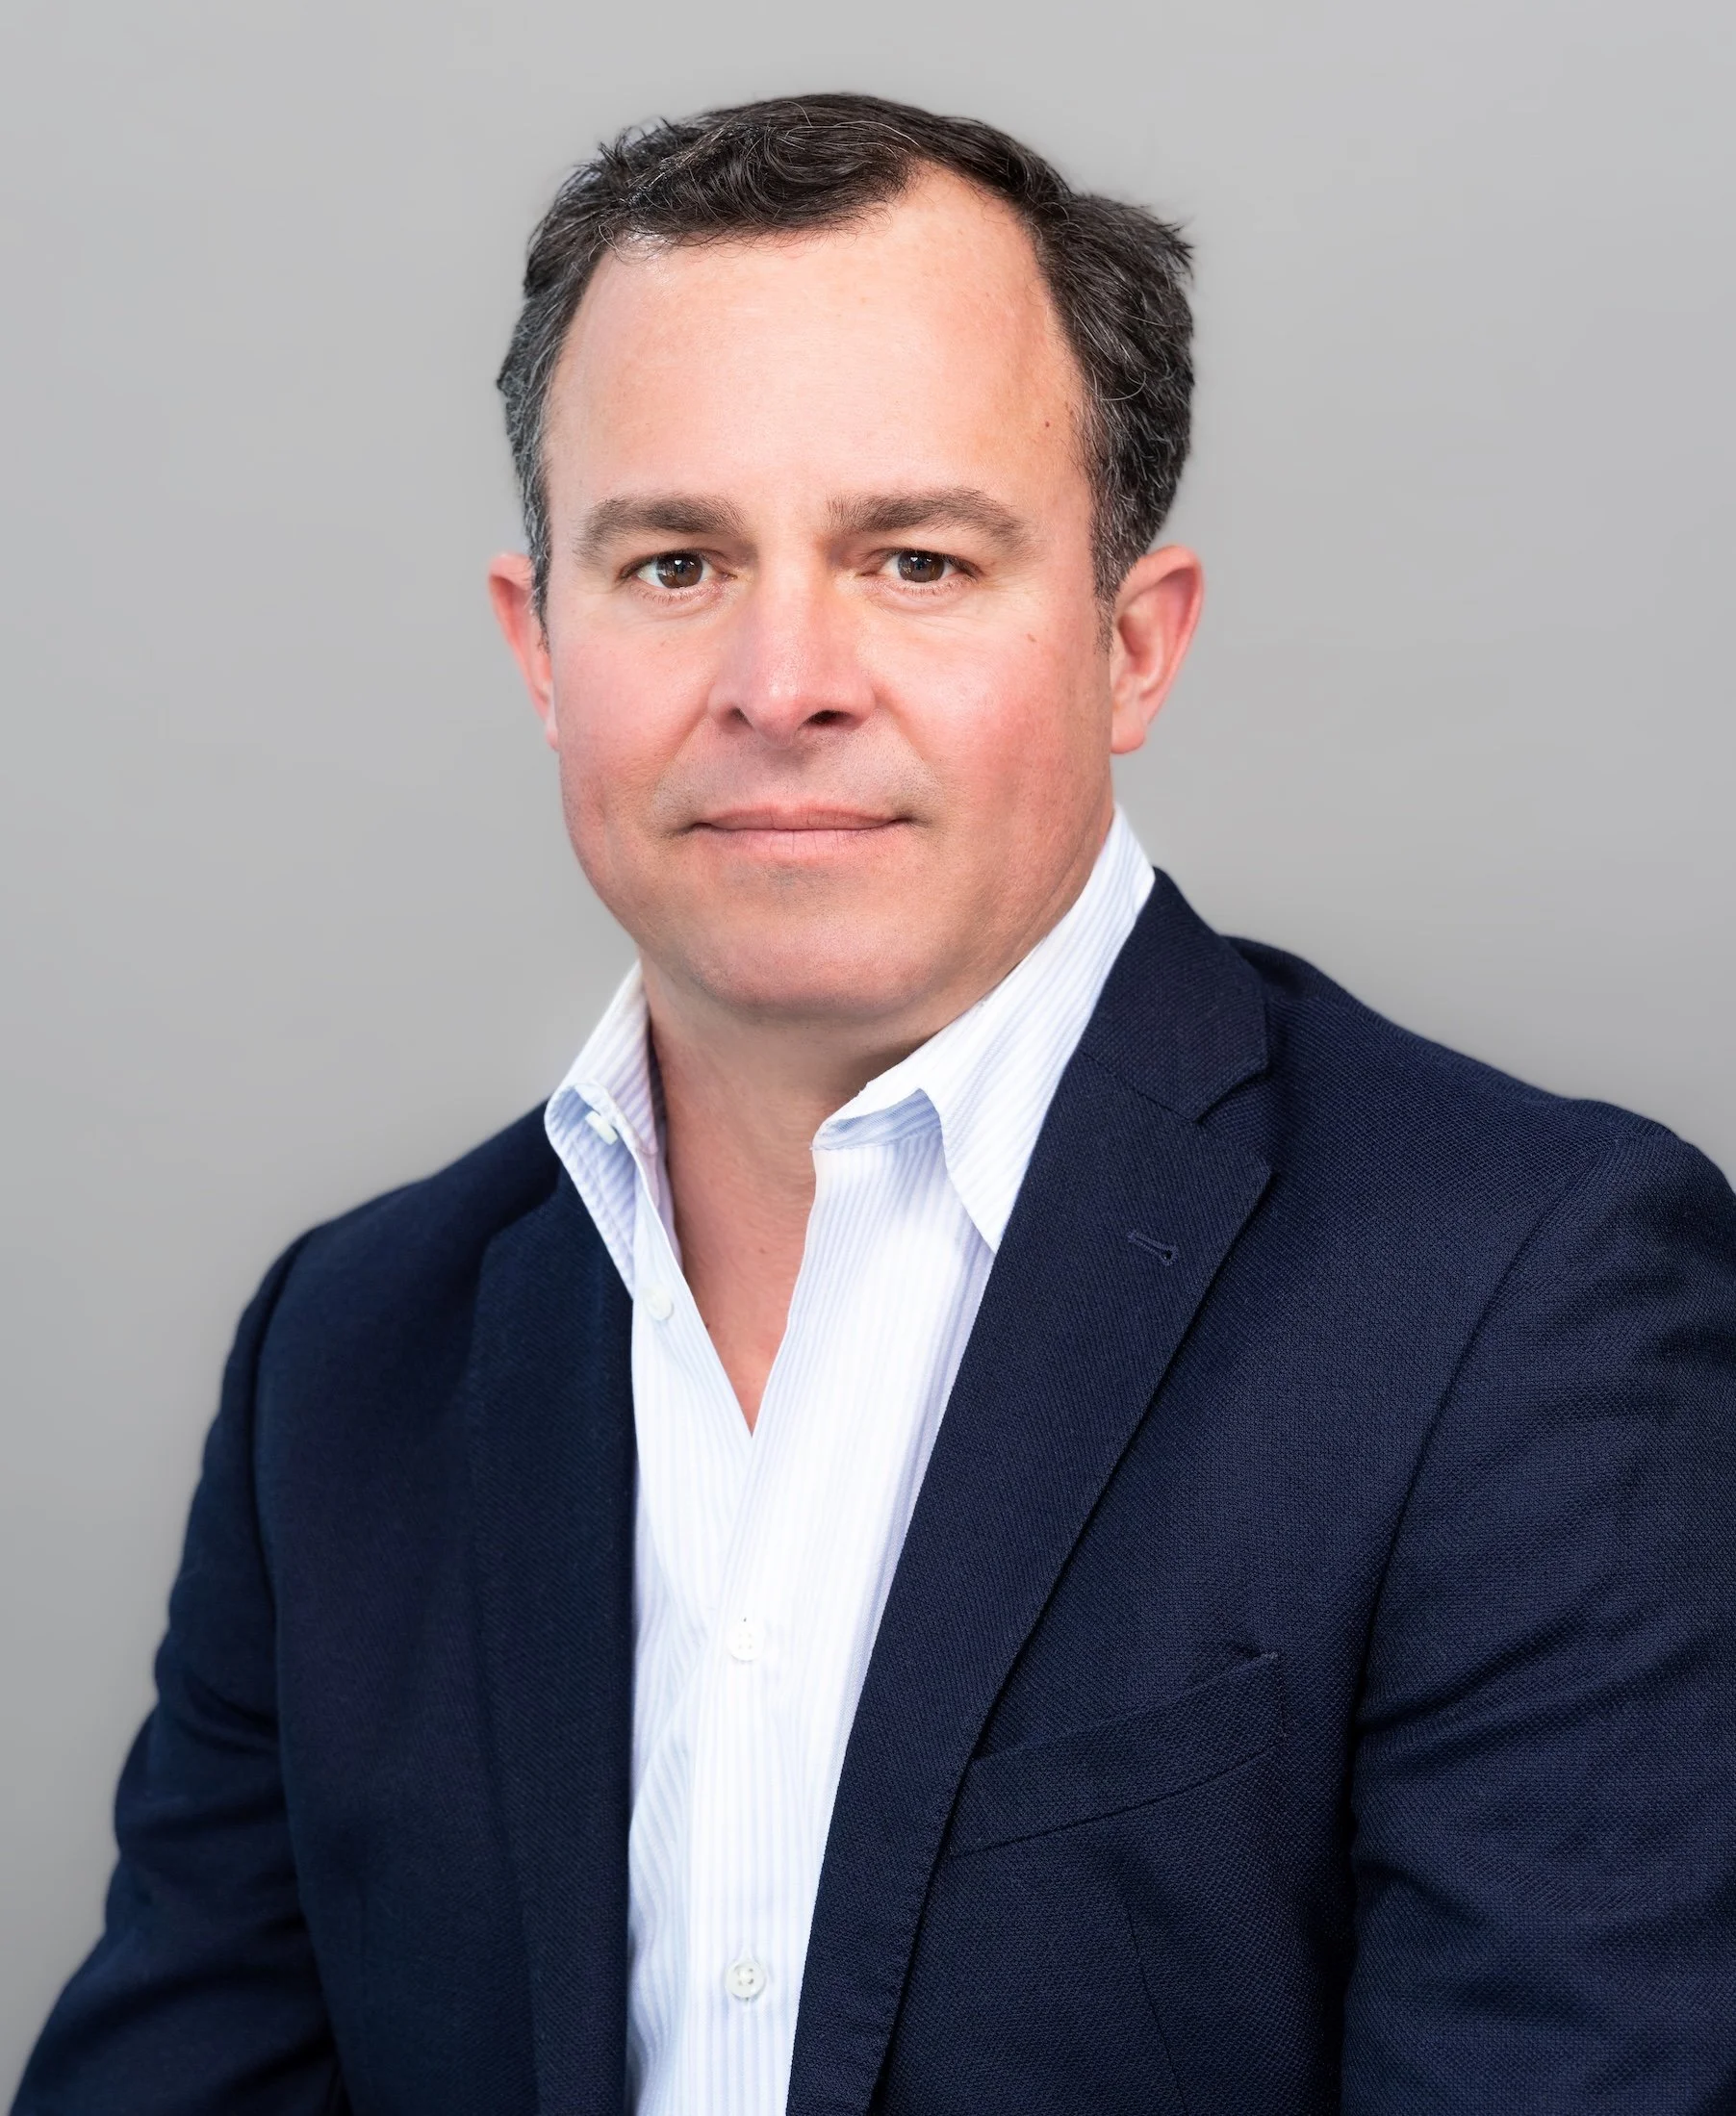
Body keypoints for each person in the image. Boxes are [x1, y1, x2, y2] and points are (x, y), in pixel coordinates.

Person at [15, 90, 1736, 2116]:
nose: (781, 676)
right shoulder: (352, 1349)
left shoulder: (1513, 1300)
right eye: (671, 562)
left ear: (1130, 644)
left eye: (913, 557)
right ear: (538, 642)